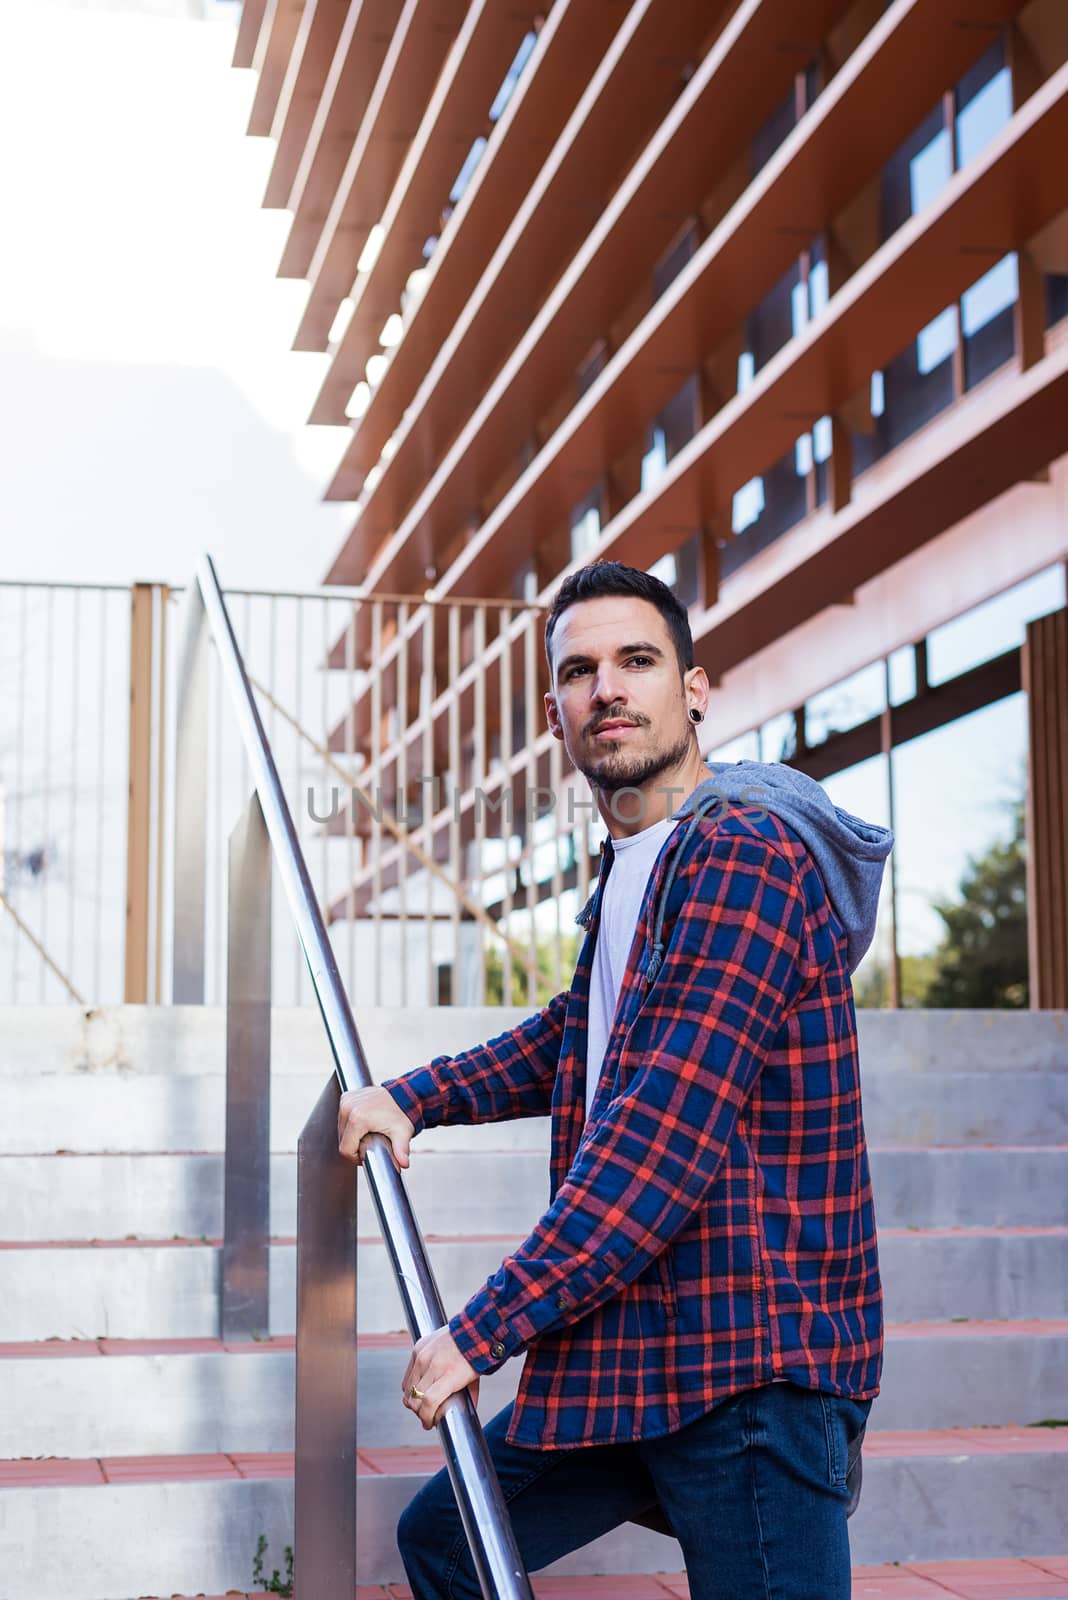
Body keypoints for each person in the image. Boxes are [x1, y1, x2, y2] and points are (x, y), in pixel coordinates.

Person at [337, 560, 893, 1600]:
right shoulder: (638, 864)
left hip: (751, 1362)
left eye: (637, 660)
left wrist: (485, 1326)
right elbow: (578, 1037)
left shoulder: (741, 856)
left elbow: (659, 1141)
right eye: (580, 670)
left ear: (692, 689)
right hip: (647, 1352)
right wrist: (419, 1094)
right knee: (451, 1540)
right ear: (555, 714)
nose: (608, 688)